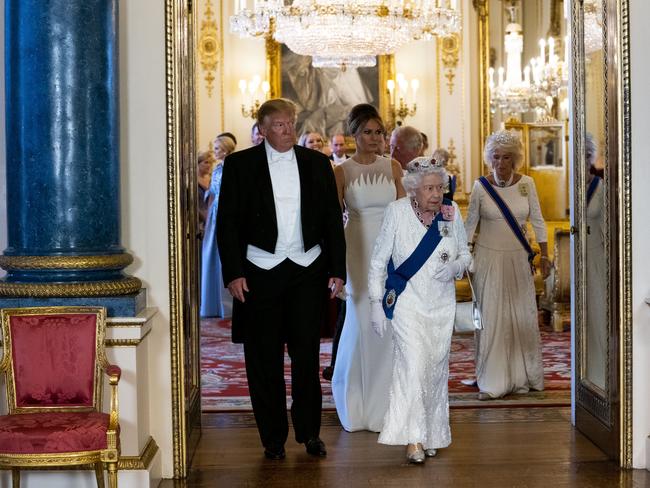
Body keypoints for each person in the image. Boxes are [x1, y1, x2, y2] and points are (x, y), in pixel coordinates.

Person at [217, 98, 346, 460]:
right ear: (262, 130)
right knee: (264, 359)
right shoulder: (240, 165)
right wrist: (233, 273)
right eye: (279, 125)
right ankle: (272, 438)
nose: (288, 130)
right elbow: (227, 224)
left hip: (307, 270)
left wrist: (338, 269)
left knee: (306, 356)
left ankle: (310, 434)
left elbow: (332, 220)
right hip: (259, 272)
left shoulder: (318, 164)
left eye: (291, 123)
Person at [368, 157, 471, 463]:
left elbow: (466, 254)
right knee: (412, 367)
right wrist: (376, 303)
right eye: (429, 188)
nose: (437, 194)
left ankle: (432, 433)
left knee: (435, 370)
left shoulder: (450, 214)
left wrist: (455, 265)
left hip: (441, 304)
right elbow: (378, 260)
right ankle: (413, 438)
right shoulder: (396, 212)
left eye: (440, 187)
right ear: (413, 190)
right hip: (407, 304)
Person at [331, 104, 405, 432]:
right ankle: (355, 402)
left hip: (390, 252)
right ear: (354, 135)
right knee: (360, 322)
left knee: (387, 324)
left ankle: (384, 404)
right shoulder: (341, 171)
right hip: (356, 251)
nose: (375, 138)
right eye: (367, 132)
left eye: (379, 132)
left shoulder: (394, 167)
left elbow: (405, 214)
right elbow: (333, 221)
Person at [464, 130, 551, 400]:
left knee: (520, 317)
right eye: (496, 157)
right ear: (489, 159)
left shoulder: (527, 184)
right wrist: (464, 256)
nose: (500, 163)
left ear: (515, 160)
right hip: (488, 259)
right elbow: (470, 225)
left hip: (517, 258)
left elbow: (537, 219)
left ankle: (522, 377)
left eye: (506, 158)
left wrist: (545, 254)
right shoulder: (481, 186)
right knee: (491, 319)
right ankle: (491, 380)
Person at [201, 134, 236, 318]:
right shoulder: (217, 168)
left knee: (224, 257)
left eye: (216, 148)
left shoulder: (233, 167)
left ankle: (227, 306)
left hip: (227, 214)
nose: (214, 152)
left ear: (224, 149)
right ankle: (211, 304)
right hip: (215, 215)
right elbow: (212, 194)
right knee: (211, 255)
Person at [585, 133, 606, 389]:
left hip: (597, 256)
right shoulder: (570, 186)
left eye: (586, 155)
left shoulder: (601, 187)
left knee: (597, 311)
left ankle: (600, 371)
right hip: (577, 255)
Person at [197, 150, 214, 239]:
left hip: (211, 221)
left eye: (211, 163)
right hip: (198, 224)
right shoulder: (192, 181)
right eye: (206, 162)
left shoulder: (212, 179)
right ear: (198, 163)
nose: (209, 165)